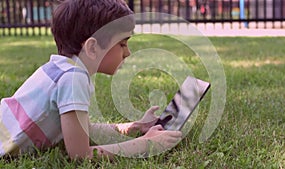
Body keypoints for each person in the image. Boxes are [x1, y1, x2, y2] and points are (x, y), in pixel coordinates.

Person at [0, 0, 182, 159]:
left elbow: (86, 130)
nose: (127, 53)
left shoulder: (63, 69)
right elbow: (81, 154)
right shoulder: (72, 78)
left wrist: (135, 127)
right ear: (92, 47)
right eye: (122, 44)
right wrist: (147, 143)